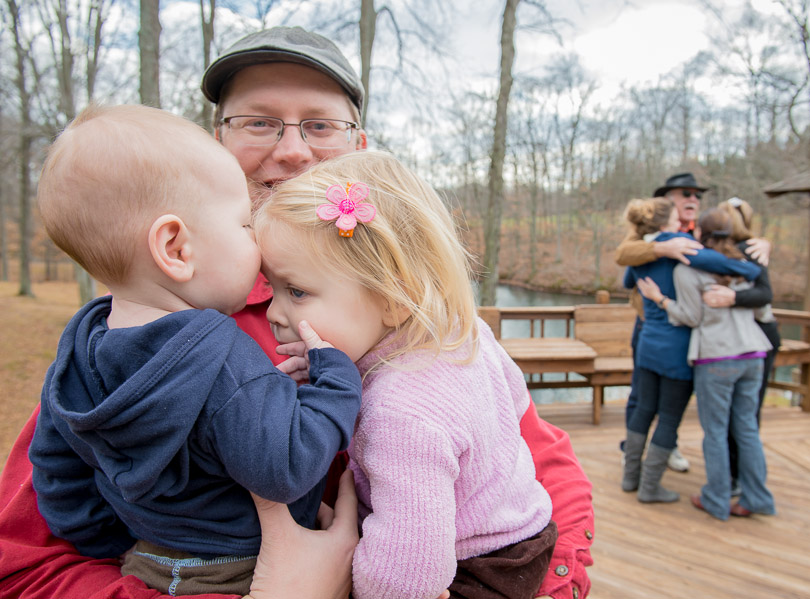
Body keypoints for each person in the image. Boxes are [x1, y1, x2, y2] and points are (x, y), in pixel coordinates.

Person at [0, 25, 593, 599]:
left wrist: (556, 580)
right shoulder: (143, 336)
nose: (292, 150)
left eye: (320, 124)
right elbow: (25, 565)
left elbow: (537, 461)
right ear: (218, 145)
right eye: (258, 122)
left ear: (358, 149)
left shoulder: (415, 319)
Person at [28, 104, 363, 596]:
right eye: (246, 225)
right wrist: (336, 380)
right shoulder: (222, 356)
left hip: (146, 566)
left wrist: (111, 542)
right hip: (244, 572)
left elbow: (57, 474)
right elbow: (286, 467)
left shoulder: (79, 347)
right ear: (176, 249)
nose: (258, 244)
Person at [256, 150, 557, 599]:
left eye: (296, 291)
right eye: (272, 286)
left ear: (395, 298)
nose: (274, 312)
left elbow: (404, 577)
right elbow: (512, 404)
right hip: (526, 533)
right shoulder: (464, 331)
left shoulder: (397, 414)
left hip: (473, 568)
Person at [615, 173, 772, 473]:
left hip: (663, 333)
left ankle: (636, 469)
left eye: (697, 195)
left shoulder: (703, 229)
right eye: (685, 194)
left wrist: (764, 244)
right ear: (667, 203)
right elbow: (623, 254)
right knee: (658, 404)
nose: (693, 199)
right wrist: (662, 248)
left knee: (650, 402)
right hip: (670, 331)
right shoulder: (671, 237)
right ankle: (648, 475)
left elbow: (627, 278)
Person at [636, 208, 777, 520]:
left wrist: (659, 298)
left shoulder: (688, 270)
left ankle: (716, 497)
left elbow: (691, 317)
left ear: (699, 234)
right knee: (747, 428)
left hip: (716, 358)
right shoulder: (745, 266)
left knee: (715, 431)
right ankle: (757, 497)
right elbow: (761, 308)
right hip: (753, 354)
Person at [703, 197, 780, 497]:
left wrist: (732, 298)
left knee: (744, 419)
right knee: (742, 420)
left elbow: (765, 293)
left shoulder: (748, 253)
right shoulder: (731, 253)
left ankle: (737, 481)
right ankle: (741, 482)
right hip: (746, 344)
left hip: (755, 340)